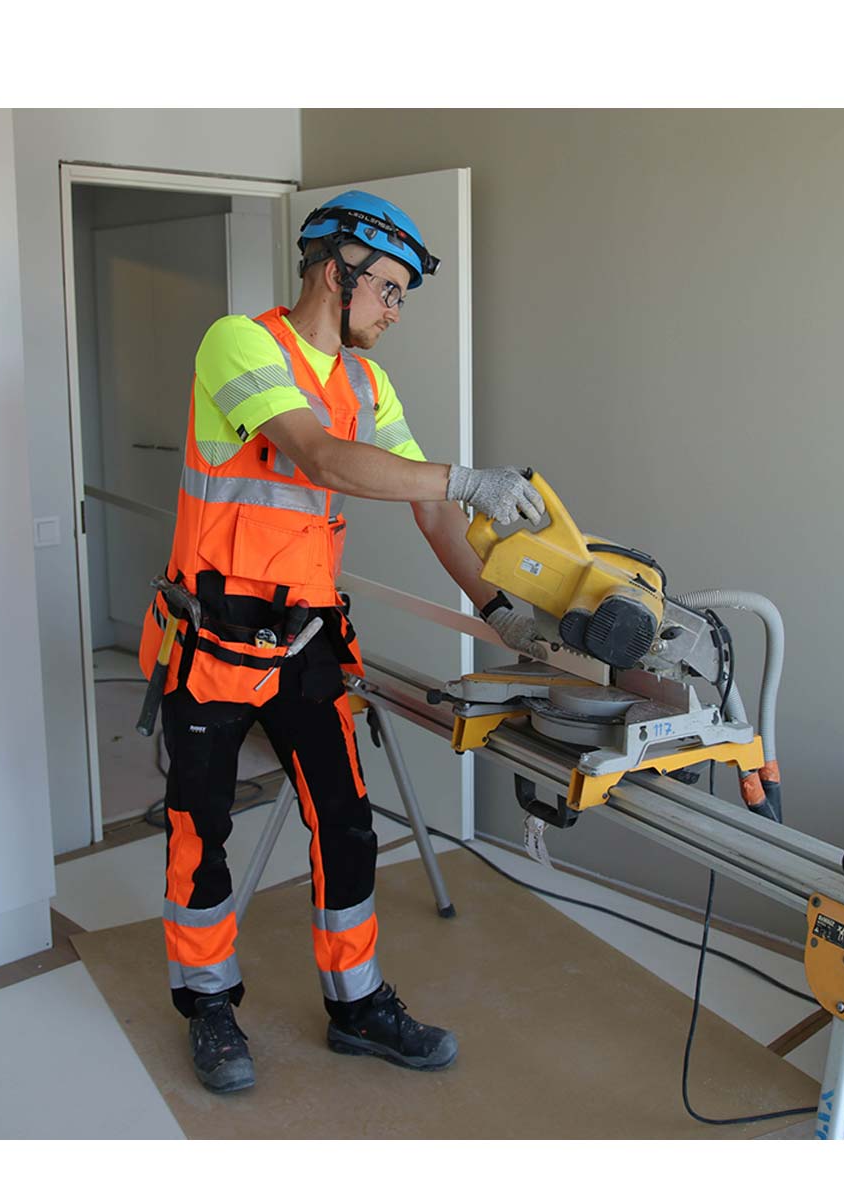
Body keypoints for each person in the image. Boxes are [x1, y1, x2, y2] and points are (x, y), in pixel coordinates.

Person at [138, 190, 549, 1093]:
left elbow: (430, 507)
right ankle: (209, 1006)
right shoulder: (239, 343)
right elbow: (319, 457)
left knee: (348, 826)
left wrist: (498, 609)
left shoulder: (367, 385)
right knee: (201, 830)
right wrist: (464, 477)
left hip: (308, 641)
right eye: (389, 289)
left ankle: (357, 1006)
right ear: (338, 271)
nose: (396, 311)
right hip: (211, 643)